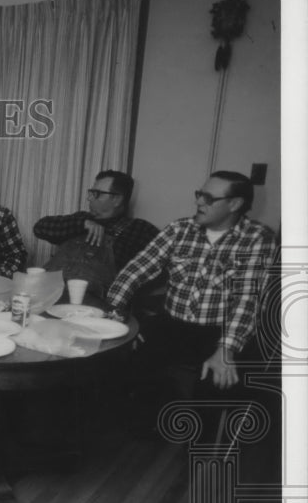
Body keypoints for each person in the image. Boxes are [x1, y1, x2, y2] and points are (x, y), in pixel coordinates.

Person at [106, 171, 277, 396]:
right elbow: (136, 269)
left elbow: (247, 300)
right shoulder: (180, 229)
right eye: (199, 194)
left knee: (211, 389)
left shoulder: (257, 238)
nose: (198, 202)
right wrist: (113, 310)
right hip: (172, 324)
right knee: (127, 373)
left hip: (220, 332)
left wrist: (226, 351)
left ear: (235, 204)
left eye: (209, 198)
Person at [34, 170, 159, 296]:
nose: (89, 198)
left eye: (96, 194)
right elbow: (40, 228)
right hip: (47, 295)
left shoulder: (140, 230)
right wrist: (83, 224)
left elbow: (160, 271)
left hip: (94, 305)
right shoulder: (80, 218)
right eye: (91, 192)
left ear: (117, 200)